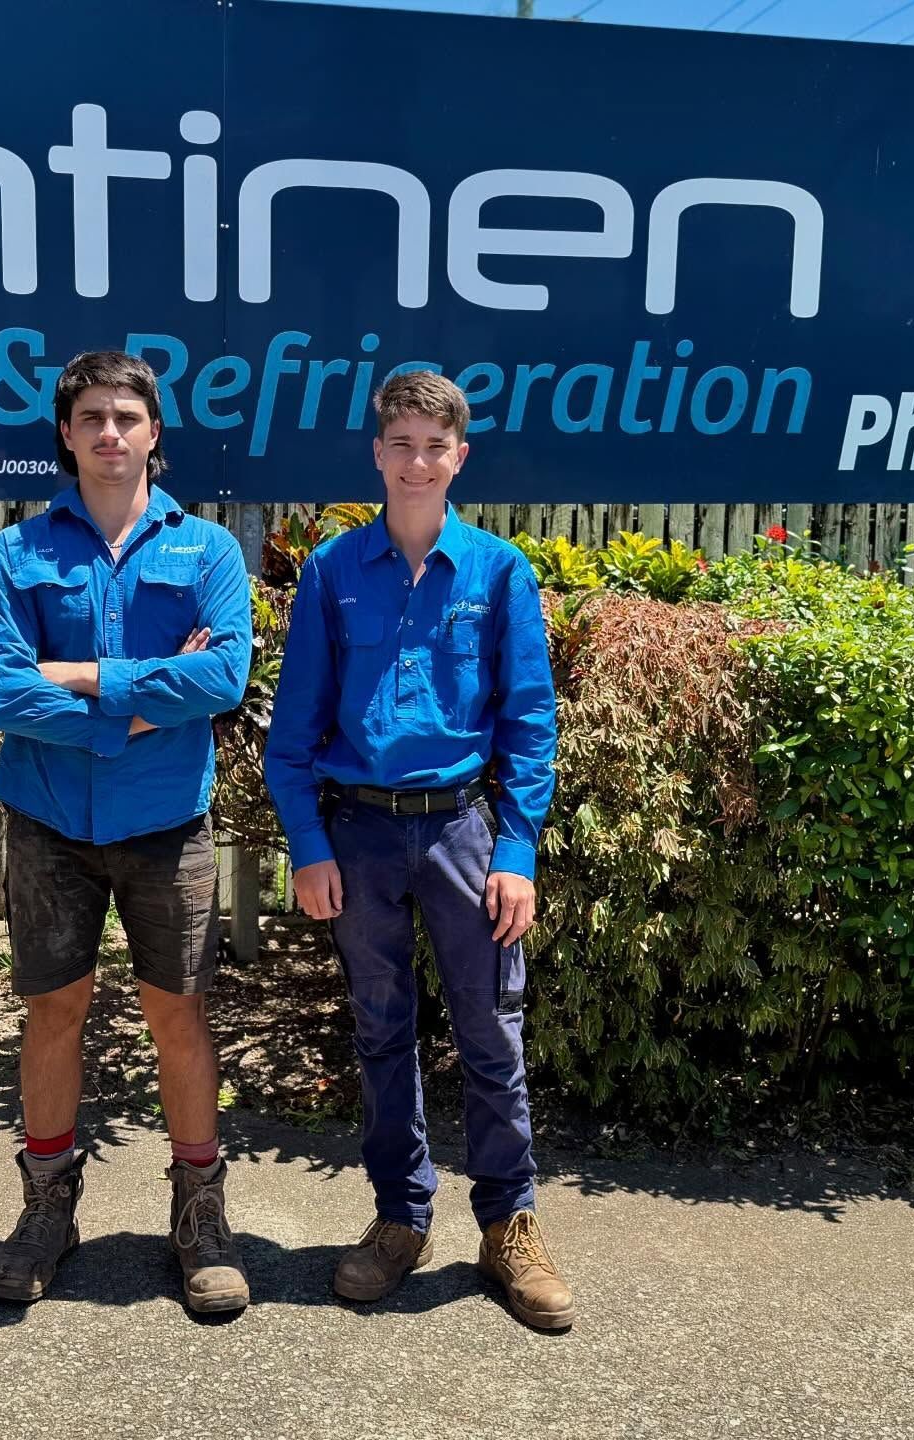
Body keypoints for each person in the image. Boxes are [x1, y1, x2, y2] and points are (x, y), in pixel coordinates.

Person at [263, 370, 571, 1330]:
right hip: (357, 836)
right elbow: (292, 732)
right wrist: (309, 844)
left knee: (491, 1033)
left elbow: (528, 720)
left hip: (461, 833)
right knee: (380, 1030)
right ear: (378, 453)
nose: (417, 461)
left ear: (459, 458)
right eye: (400, 442)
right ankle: (399, 1220)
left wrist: (515, 848)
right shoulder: (331, 572)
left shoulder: (498, 571)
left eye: (435, 445)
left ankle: (508, 1225)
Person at [0, 350, 253, 1314]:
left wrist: (82, 678)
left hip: (166, 825)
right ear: (65, 432)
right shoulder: (16, 554)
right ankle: (48, 1208)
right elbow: (1, 694)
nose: (108, 434)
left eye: (125, 417)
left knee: (181, 1015)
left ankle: (200, 1216)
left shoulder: (208, 551)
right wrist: (141, 699)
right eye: (90, 417)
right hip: (48, 825)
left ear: (153, 431)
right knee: (54, 1011)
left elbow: (221, 681)